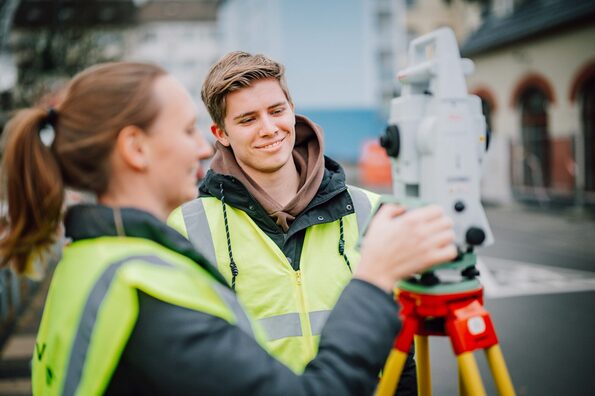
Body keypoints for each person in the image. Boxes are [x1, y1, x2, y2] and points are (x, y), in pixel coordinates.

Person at [0, 61, 456, 395]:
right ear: (136, 149)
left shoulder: (88, 261)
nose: (200, 149)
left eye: (276, 111)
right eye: (185, 131)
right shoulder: (150, 280)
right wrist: (373, 279)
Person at [167, 51, 417, 391]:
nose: (269, 129)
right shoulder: (186, 227)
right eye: (247, 120)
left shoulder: (369, 209)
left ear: (292, 110)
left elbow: (399, 345)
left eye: (276, 111)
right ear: (220, 133)